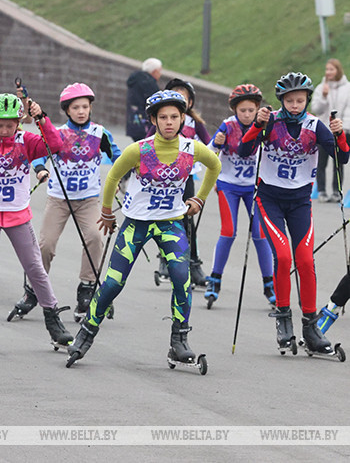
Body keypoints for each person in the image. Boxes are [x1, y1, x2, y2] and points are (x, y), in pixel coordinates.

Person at [66, 90, 221, 368]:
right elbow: (113, 176)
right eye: (163, 117)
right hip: (137, 223)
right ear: (154, 120)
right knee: (113, 283)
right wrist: (106, 212)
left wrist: (200, 198)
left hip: (171, 222)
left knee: (180, 277)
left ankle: (179, 341)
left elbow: (215, 165)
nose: (170, 122)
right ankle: (87, 331)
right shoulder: (140, 149)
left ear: (183, 118)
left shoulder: (191, 148)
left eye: (175, 117)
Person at [238, 72, 349, 356]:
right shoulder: (271, 121)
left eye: (300, 100)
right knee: (284, 256)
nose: (295, 105)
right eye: (290, 100)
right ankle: (283, 319)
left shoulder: (315, 126)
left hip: (300, 201)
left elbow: (342, 157)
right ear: (282, 101)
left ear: (307, 100)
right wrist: (257, 126)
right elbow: (244, 149)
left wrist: (339, 134)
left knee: (304, 259)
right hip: (270, 199)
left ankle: (311, 327)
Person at [0, 93, 73, 354]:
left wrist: (41, 118)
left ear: (19, 122)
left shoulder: (26, 140)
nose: (6, 129)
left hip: (17, 212)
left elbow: (56, 145)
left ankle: (53, 319)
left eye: (11, 124)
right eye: (0, 124)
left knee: (35, 267)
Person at [21, 83, 121, 322]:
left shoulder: (99, 133)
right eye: (76, 107)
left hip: (88, 199)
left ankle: (87, 289)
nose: (81, 111)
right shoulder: (58, 133)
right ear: (67, 110)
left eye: (85, 106)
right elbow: (40, 155)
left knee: (95, 238)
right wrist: (41, 170)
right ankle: (34, 290)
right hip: (59, 199)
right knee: (45, 244)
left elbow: (119, 157)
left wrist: (118, 177)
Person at [203, 85, 275, 308]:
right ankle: (215, 280)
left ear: (257, 109)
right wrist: (216, 143)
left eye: (251, 110)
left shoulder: (264, 125)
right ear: (235, 110)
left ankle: (269, 284)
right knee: (229, 231)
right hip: (229, 186)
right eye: (242, 110)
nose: (247, 115)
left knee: (259, 234)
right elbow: (207, 153)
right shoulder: (228, 126)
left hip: (254, 187)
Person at [152, 78, 210, 287]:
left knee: (187, 220)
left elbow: (210, 146)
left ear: (190, 103)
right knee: (165, 218)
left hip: (187, 179)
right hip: (165, 179)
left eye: (184, 96)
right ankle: (166, 261)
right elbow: (145, 146)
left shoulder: (195, 123)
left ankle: (193, 264)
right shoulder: (161, 122)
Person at [311, 58, 350, 203]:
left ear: (338, 70)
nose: (328, 72)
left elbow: (348, 110)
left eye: (331, 69)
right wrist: (324, 96)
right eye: (327, 69)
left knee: (338, 163)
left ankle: (336, 191)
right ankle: (321, 190)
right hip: (323, 130)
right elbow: (316, 109)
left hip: (341, 131)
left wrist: (344, 128)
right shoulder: (321, 88)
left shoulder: (348, 88)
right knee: (321, 162)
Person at [126, 58, 162, 142]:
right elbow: (157, 103)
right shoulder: (149, 83)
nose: (160, 74)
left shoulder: (135, 80)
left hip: (133, 121)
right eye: (159, 71)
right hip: (146, 125)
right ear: (155, 71)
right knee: (146, 148)